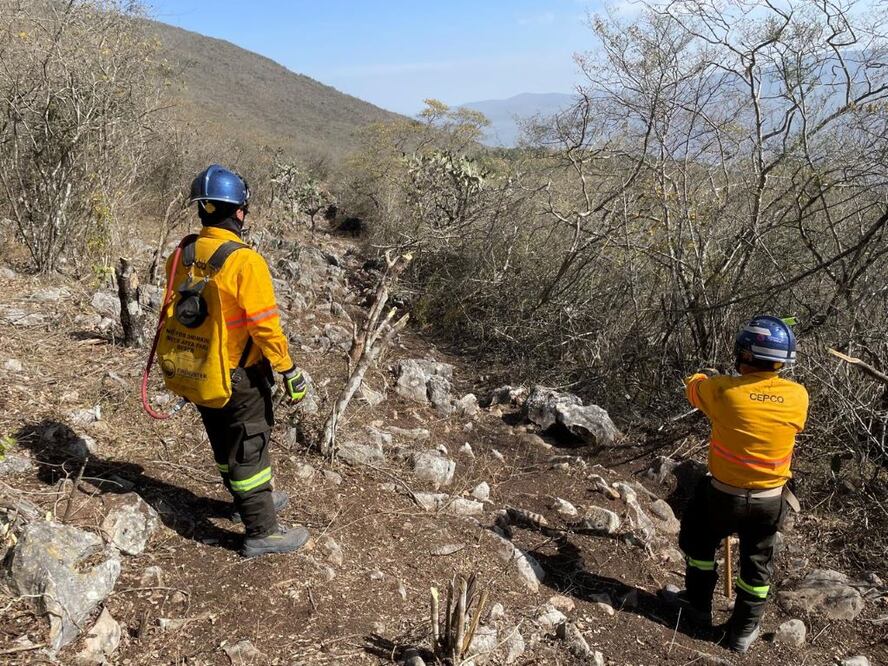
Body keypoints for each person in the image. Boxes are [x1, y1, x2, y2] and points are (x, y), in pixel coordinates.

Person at [166, 164, 310, 557]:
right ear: (240, 212)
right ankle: (261, 531)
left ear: (202, 208)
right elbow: (264, 328)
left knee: (224, 442)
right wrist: (288, 369)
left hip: (201, 370)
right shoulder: (245, 262)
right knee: (249, 448)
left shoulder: (183, 254)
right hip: (240, 377)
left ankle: (247, 502)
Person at [667, 315, 809, 653]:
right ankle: (743, 631)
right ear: (781, 361)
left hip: (722, 496)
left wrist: (705, 375)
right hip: (769, 501)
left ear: (744, 354)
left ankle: (698, 607)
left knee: (699, 542)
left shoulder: (723, 391)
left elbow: (693, 387)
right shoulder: (798, 396)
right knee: (757, 564)